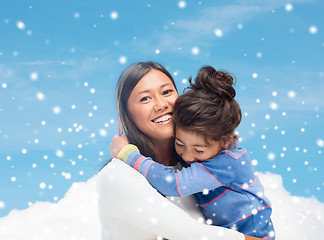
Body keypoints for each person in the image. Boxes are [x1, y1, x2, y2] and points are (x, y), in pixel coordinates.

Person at [98, 61, 264, 240]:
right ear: (126, 113)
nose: (161, 104)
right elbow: (192, 234)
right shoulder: (117, 175)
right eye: (145, 98)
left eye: (167, 92)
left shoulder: (194, 168)